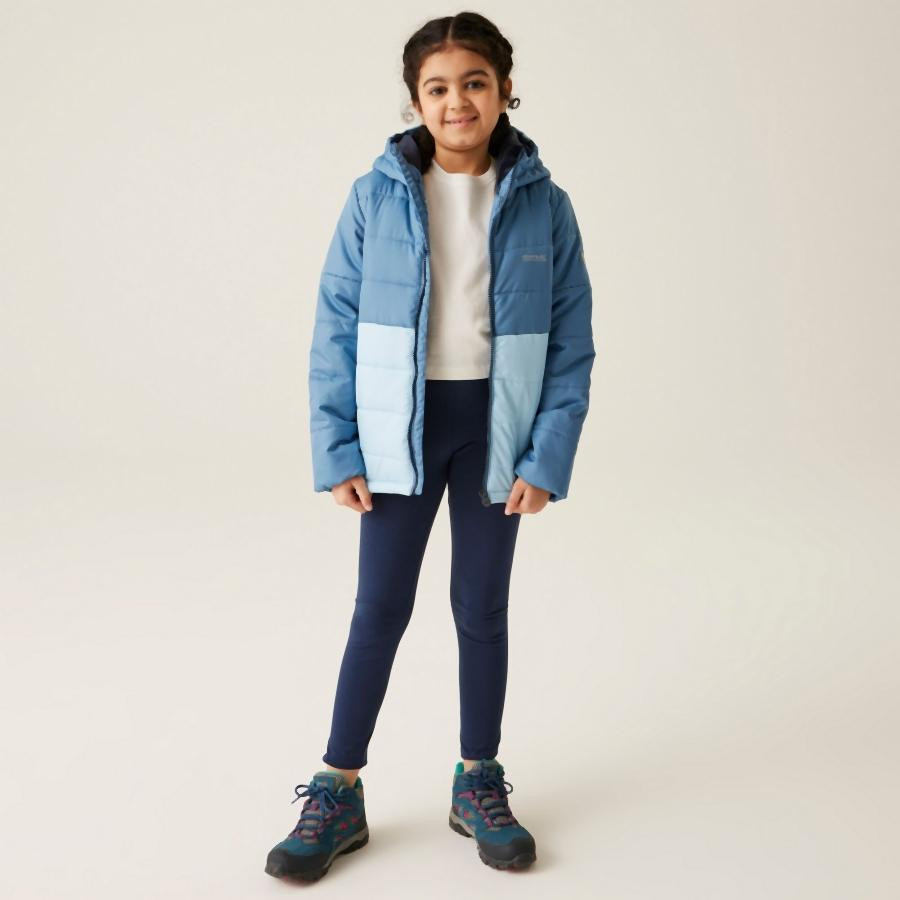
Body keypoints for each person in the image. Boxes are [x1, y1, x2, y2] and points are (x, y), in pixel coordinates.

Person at [265, 11, 595, 882]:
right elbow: (335, 324)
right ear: (415, 100)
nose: (458, 102)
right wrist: (337, 446)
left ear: (506, 90)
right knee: (379, 610)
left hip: (497, 431)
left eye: (475, 83)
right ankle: (338, 789)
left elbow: (571, 342)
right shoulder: (375, 196)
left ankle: (477, 779)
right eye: (439, 87)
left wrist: (545, 456)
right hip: (396, 435)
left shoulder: (546, 204)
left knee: (481, 609)